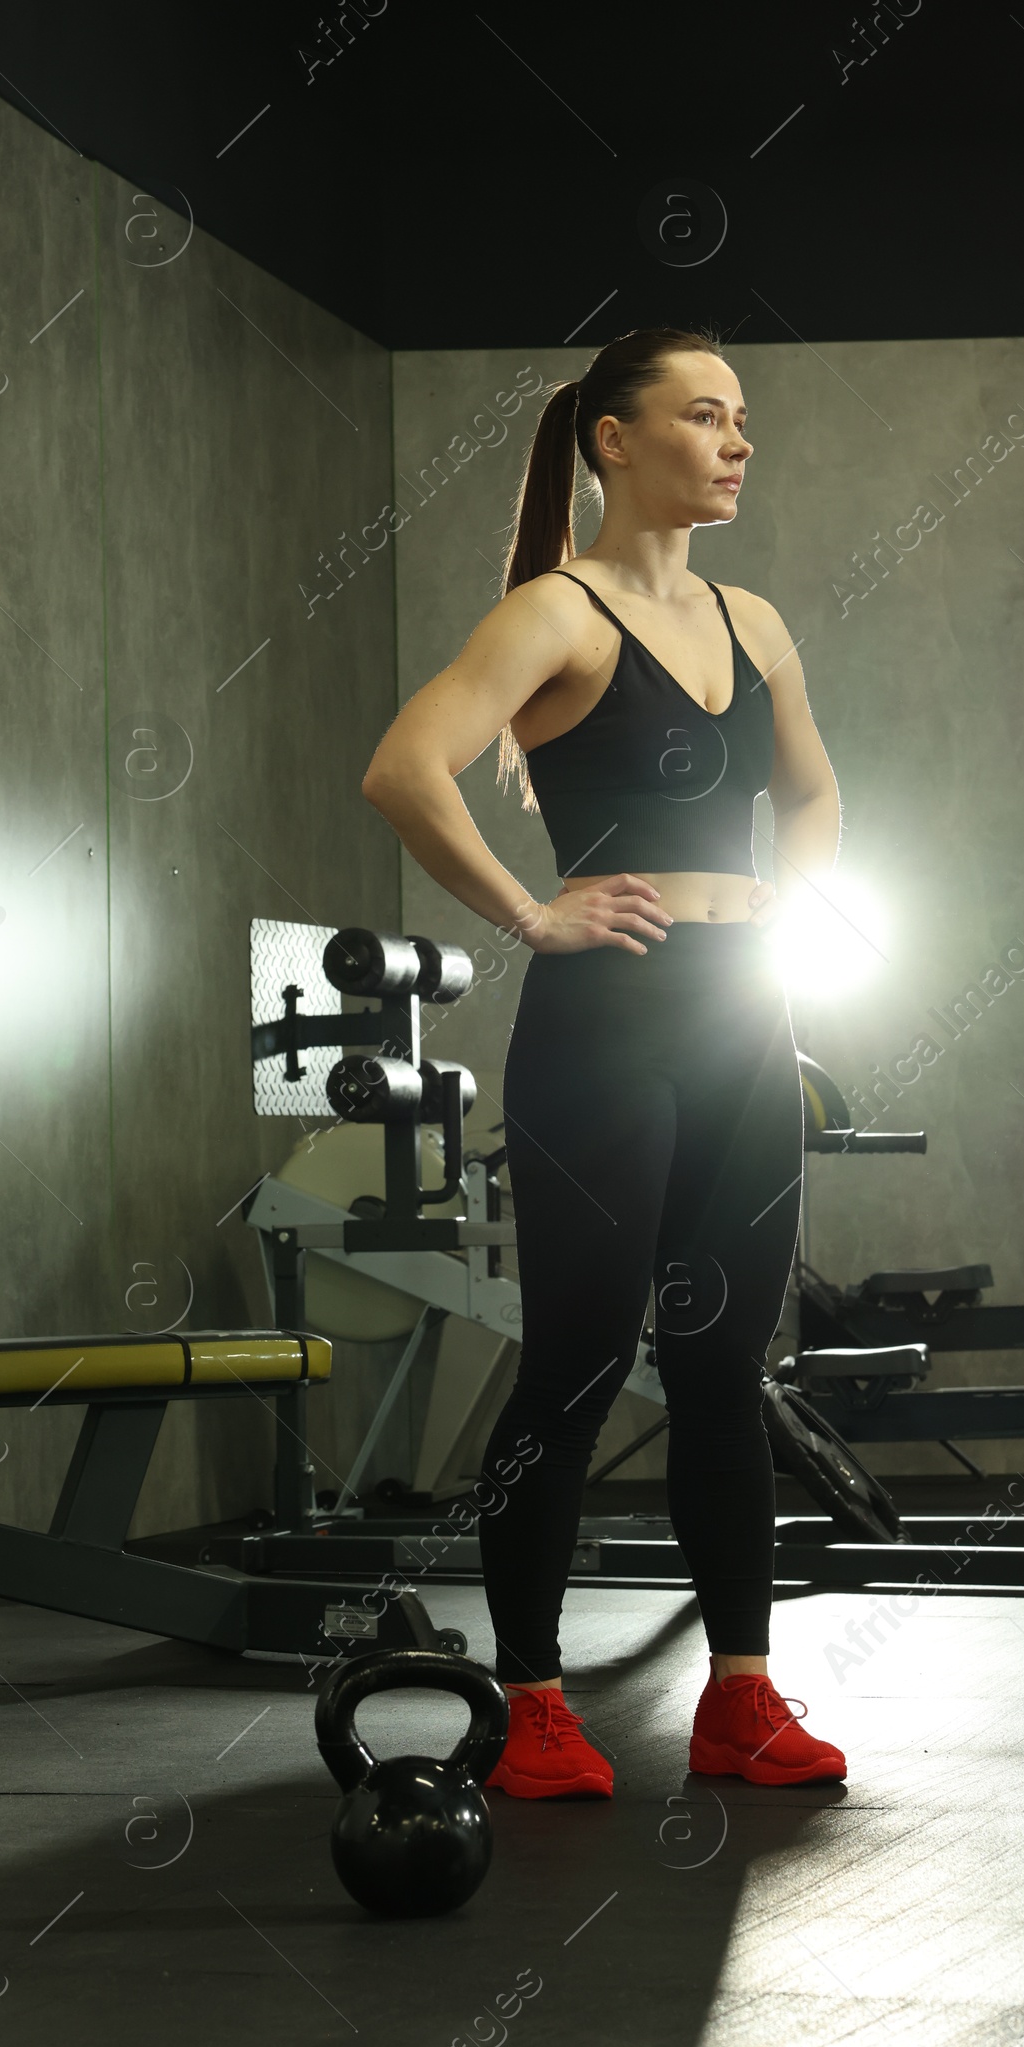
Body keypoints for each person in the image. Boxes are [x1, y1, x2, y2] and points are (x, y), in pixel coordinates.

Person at [361, 324, 847, 1798]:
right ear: (615, 442)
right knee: (575, 1364)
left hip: (744, 1023)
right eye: (706, 416)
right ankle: (533, 1696)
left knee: (720, 1363)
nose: (738, 440)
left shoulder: (757, 623)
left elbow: (816, 793)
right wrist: (529, 912)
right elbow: (403, 765)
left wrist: (788, 907)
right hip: (607, 1029)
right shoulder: (554, 616)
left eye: (742, 417)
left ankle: (741, 1698)